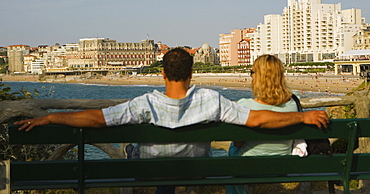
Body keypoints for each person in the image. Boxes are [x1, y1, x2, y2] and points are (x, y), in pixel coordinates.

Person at [15, 48, 329, 194]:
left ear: (162, 74)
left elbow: (98, 119)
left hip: (151, 169)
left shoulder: (146, 102)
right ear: (192, 74)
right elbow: (256, 120)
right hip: (197, 167)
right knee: (178, 154)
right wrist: (301, 114)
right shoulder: (209, 99)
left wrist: (53, 117)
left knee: (138, 152)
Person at [226, 54, 301, 194]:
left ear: (258, 77)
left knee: (233, 151)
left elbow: (238, 142)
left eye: (252, 72)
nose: (251, 76)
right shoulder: (294, 103)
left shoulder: (244, 105)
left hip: (250, 168)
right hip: (284, 166)